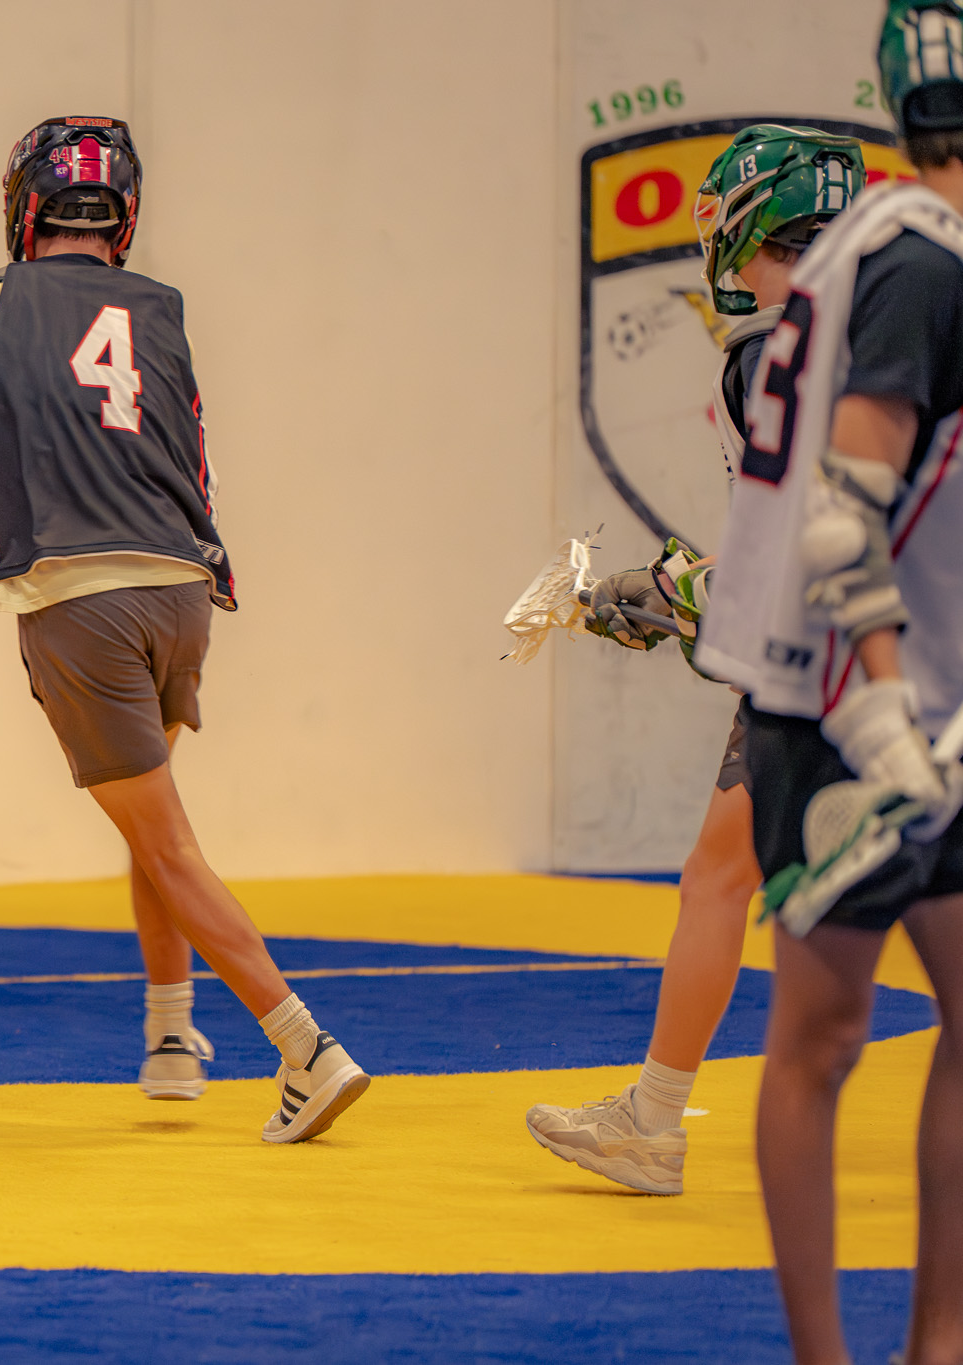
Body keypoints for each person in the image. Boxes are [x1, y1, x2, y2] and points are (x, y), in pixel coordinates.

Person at [0, 115, 368, 1143]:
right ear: (121, 216)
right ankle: (169, 1036)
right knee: (151, 826)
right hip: (180, 592)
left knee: (164, 844)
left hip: (77, 599)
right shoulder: (167, 311)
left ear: (22, 208)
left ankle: (305, 1046)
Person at [526, 126, 866, 1196]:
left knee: (729, 879)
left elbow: (808, 545)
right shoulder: (878, 328)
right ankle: (651, 1115)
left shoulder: (768, 355)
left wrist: (678, 599)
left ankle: (653, 1120)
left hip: (844, 654)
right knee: (735, 872)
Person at [695, 6, 963, 1358]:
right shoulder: (918, 260)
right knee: (824, 1028)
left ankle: (940, 1337)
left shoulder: (888, 248)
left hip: (906, 684)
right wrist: (882, 700)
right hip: (853, 699)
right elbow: (847, 518)